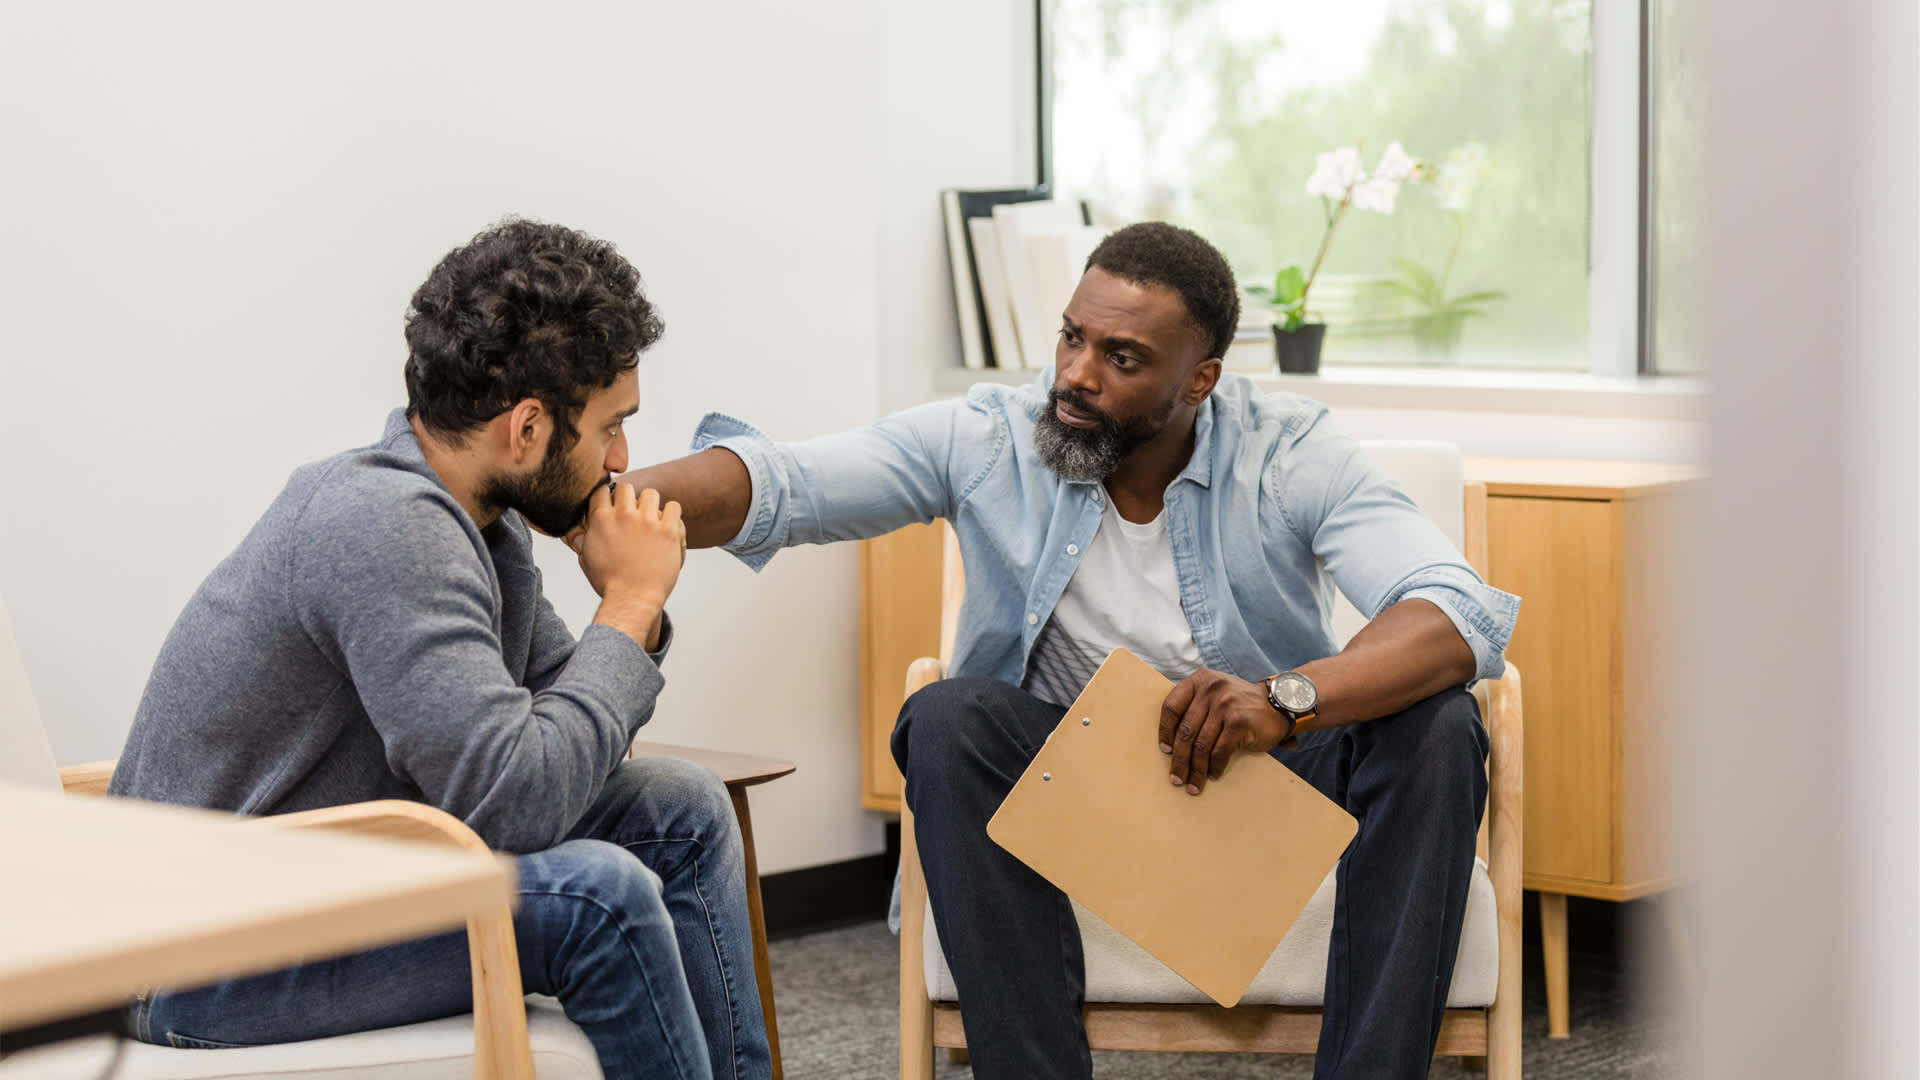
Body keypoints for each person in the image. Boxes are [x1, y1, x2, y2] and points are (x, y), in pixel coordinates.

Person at [622, 221, 1519, 1079]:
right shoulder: (992, 438)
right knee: (945, 717)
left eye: (1121, 358)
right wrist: (605, 497)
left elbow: (1457, 611)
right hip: (1084, 789)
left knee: (1439, 726)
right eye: (1071, 339)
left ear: (1200, 380)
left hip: (1267, 780)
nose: (1076, 376)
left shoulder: (1288, 454)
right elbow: (789, 483)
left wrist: (1283, 701)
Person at [110, 219, 770, 1080]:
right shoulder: (387, 528)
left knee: (680, 807)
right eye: (611, 426)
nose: (623, 459)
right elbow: (519, 804)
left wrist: (629, 614)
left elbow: (578, 758)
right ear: (527, 429)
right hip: (198, 960)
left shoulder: (481, 528)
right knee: (596, 901)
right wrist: (632, 599)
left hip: (329, 886)